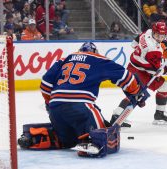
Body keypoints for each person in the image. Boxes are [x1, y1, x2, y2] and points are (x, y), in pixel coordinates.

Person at [18, 42, 149, 158]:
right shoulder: (98, 59)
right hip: (80, 106)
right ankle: (93, 142)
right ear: (95, 52)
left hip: (55, 108)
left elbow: (45, 84)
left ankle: (33, 136)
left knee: (66, 140)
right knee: (102, 135)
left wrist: (50, 103)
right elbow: (125, 77)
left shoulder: (65, 59)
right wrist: (136, 92)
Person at [111, 21, 167, 127]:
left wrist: (158, 44)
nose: (160, 38)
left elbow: (134, 44)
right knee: (136, 95)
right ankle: (117, 115)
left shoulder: (148, 32)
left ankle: (159, 114)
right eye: (158, 35)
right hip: (141, 71)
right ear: (154, 33)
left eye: (162, 36)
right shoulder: (155, 50)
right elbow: (155, 71)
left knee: (163, 86)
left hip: (135, 66)